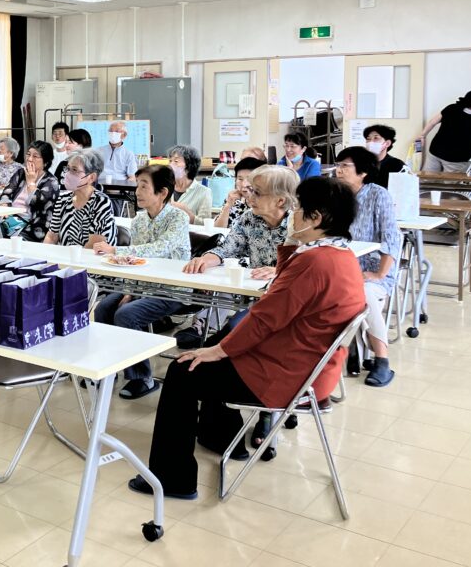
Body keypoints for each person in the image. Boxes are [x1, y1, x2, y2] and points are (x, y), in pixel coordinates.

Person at [127, 176, 365, 500]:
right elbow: (277, 304)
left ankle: (174, 479)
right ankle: (222, 437)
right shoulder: (341, 256)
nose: (294, 215)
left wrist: (219, 351)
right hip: (313, 370)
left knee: (184, 369)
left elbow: (265, 318)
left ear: (317, 218)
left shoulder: (314, 263)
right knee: (218, 344)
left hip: (289, 375)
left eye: (300, 210)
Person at [92, 165, 191, 399]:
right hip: (143, 285)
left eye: (144, 186)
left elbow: (158, 249)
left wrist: (116, 249)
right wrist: (129, 290)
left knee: (126, 314)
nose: (137, 191)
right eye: (138, 185)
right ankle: (110, 369)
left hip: (172, 288)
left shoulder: (178, 218)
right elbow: (134, 263)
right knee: (105, 308)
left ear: (163, 192)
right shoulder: (138, 220)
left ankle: (142, 379)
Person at [177, 165, 298, 348]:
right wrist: (206, 258)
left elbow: (309, 265)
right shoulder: (249, 218)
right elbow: (227, 248)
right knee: (226, 334)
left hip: (286, 300)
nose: (250, 196)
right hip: (254, 293)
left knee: (233, 333)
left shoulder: (300, 223)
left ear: (280, 201)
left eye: (257, 193)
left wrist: (278, 270)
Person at [335, 147, 403, 387]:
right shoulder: (337, 196)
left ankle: (381, 359)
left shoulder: (378, 195)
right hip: (342, 269)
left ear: (362, 172)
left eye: (345, 166)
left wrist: (380, 273)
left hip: (373, 270)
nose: (338, 170)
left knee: (363, 293)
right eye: (338, 165)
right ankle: (345, 349)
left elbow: (393, 238)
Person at [45, 149, 116, 248]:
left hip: (91, 260)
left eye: (74, 170)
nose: (68, 174)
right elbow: (52, 236)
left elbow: (93, 246)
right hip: (64, 259)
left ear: (91, 177)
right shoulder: (63, 199)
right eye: (68, 169)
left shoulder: (101, 202)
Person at [0, 140, 58, 242]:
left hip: (33, 225)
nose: (29, 159)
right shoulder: (21, 172)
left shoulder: (51, 182)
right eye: (28, 154)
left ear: (46, 162)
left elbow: (39, 204)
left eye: (35, 156)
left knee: (3, 237)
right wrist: (4, 206)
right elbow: (7, 192)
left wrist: (31, 182)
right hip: (13, 219)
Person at [215, 157, 265, 228]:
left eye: (249, 179)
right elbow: (217, 229)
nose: (244, 184)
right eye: (240, 179)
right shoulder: (233, 200)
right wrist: (228, 205)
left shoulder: (266, 203)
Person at [168, 145, 212, 224]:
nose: (170, 165)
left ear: (189, 166)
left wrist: (187, 214)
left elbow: (205, 224)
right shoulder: (165, 187)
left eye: (176, 161)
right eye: (170, 161)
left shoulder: (204, 192)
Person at [363, 124, 407, 189]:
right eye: (368, 139)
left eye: (376, 138)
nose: (371, 142)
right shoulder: (361, 163)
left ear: (387, 143)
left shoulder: (397, 165)